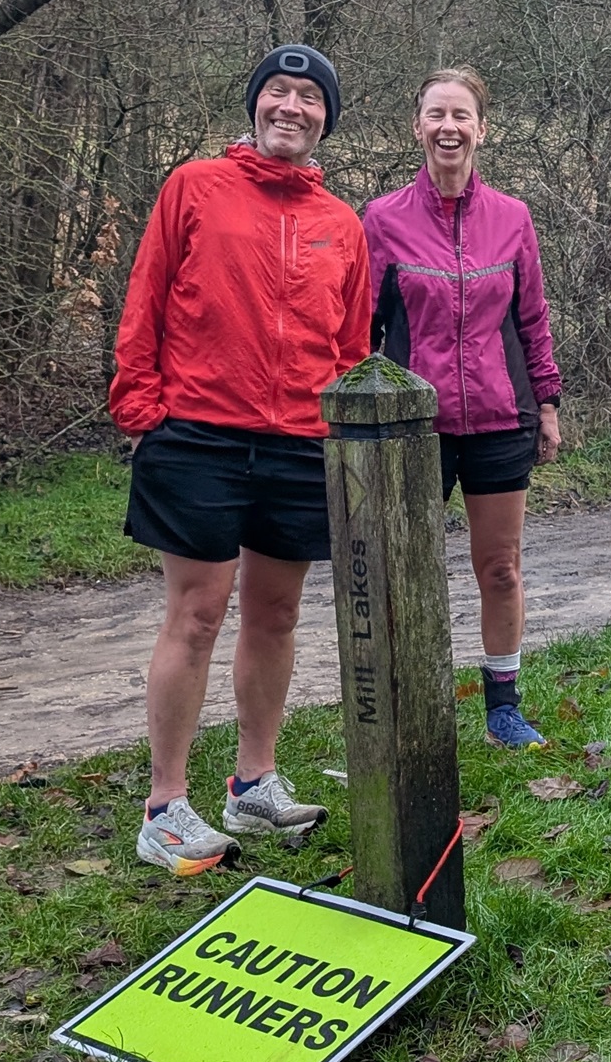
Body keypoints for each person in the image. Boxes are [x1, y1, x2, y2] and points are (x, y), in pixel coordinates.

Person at [112, 44, 366, 873]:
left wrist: (339, 429)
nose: (291, 107)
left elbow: (352, 344)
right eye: (278, 93)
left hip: (300, 442)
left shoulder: (342, 224)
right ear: (255, 105)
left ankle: (253, 782)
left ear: (326, 119)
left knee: (277, 614)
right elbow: (147, 296)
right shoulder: (194, 188)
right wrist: (140, 406)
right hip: (200, 436)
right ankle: (165, 808)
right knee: (197, 613)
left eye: (309, 98)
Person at [361, 68, 567, 748]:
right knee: (404, 570)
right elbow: (360, 330)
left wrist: (547, 402)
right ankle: (407, 709)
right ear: (417, 126)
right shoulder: (382, 220)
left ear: (482, 129)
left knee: (500, 568)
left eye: (461, 115)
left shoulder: (512, 218)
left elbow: (532, 320)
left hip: (500, 420)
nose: (448, 127)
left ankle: (503, 708)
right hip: (411, 427)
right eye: (436, 114)